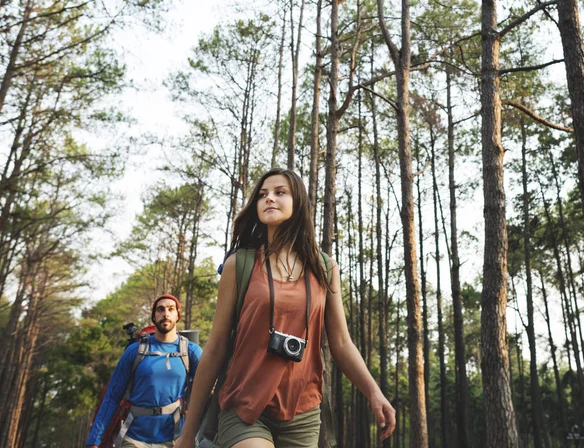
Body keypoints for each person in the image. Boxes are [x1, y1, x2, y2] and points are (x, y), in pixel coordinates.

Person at [175, 168, 395, 448]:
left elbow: (340, 342)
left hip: (303, 411)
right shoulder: (239, 265)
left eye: (280, 193)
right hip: (244, 406)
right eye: (263, 195)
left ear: (298, 203)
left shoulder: (325, 268)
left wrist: (374, 392)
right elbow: (216, 347)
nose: (269, 199)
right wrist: (188, 433)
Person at [87, 294, 202, 448]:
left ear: (177, 315)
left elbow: (209, 391)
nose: (166, 313)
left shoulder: (190, 351)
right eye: (160, 309)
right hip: (133, 439)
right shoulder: (134, 351)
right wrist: (94, 441)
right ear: (154, 316)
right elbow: (112, 397)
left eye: (171, 309)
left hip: (175, 439)